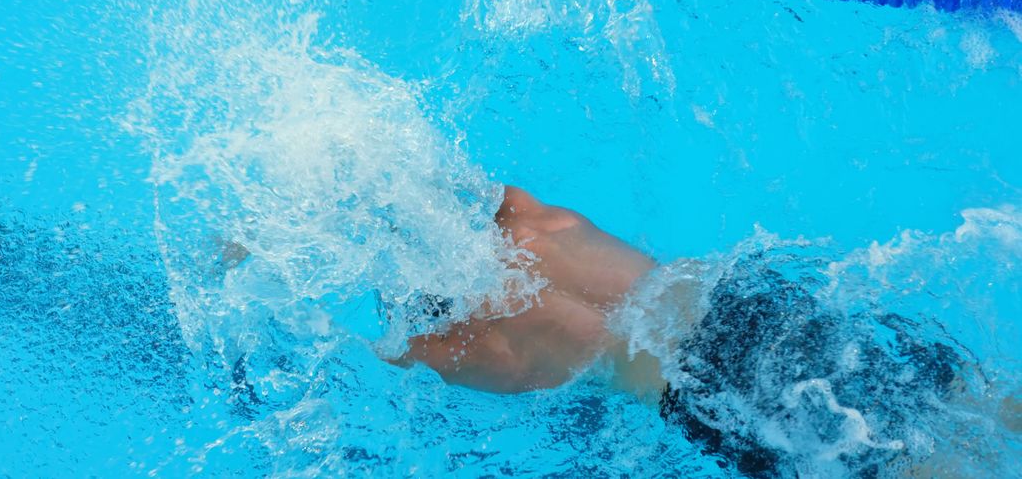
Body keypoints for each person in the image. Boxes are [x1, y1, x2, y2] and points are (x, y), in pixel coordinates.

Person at [396, 186, 1017, 477]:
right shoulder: (537, 221)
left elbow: (397, 359)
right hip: (748, 308)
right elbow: (472, 186)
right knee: (970, 397)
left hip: (707, 389)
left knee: (913, 470)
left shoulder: (489, 343)